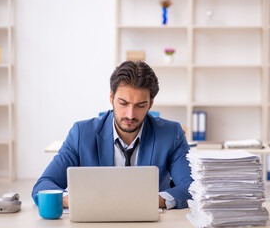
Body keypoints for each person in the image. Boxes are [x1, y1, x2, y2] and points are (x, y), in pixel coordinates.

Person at [32, 60, 193, 209]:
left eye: (140, 105)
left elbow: (193, 187)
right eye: (123, 103)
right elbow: (43, 185)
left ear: (151, 103)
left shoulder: (171, 134)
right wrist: (74, 200)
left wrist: (148, 201)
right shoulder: (81, 133)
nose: (130, 114)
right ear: (111, 97)